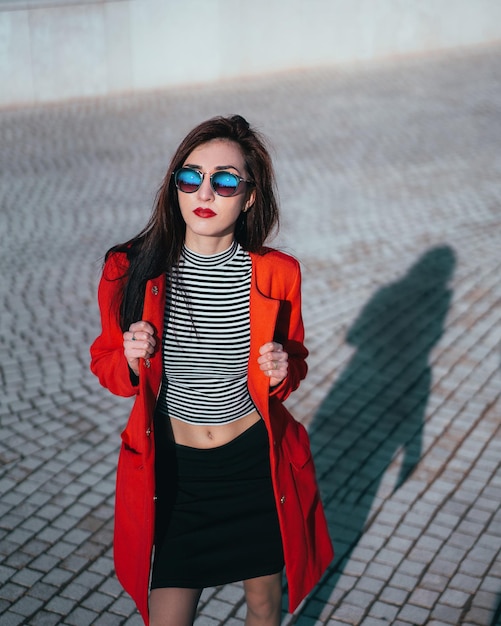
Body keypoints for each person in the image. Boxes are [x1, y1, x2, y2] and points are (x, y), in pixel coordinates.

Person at [90, 114, 333, 626]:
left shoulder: (275, 272)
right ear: (174, 185)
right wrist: (131, 360)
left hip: (253, 464)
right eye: (190, 176)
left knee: (265, 606)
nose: (205, 191)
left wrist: (282, 367)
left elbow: (293, 368)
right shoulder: (130, 268)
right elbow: (107, 366)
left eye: (225, 180)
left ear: (248, 197)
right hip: (177, 472)